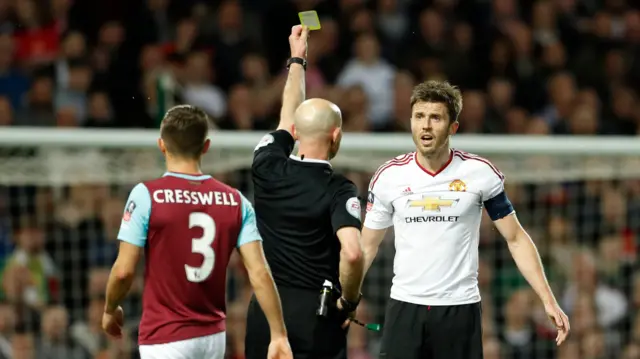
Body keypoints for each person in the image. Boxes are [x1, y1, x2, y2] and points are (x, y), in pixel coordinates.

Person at [361, 80, 571, 359]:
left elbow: (515, 237)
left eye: (435, 118)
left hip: (460, 309)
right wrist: (346, 297)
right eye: (419, 116)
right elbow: (366, 247)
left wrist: (548, 299)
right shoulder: (388, 176)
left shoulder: (479, 173)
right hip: (404, 307)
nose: (425, 125)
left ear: (453, 127)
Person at [101, 105, 292, 359]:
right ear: (206, 146)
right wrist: (279, 334)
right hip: (212, 337)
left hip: (165, 336)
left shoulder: (146, 195)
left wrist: (110, 308)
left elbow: (124, 271)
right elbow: (259, 272)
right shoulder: (236, 201)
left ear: (161, 145)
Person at [245, 25, 364, 359]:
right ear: (337, 136)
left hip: (265, 312)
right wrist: (349, 301)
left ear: (296, 133)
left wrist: (297, 59)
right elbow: (353, 253)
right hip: (316, 313)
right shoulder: (339, 188)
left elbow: (286, 117)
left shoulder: (266, 164)